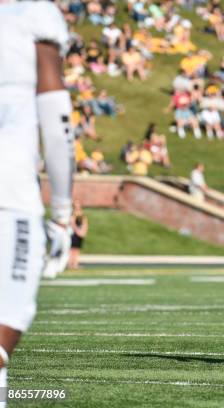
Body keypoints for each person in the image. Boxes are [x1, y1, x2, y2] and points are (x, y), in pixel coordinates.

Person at [0, 2, 74, 405]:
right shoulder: (33, 14)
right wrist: (62, 211)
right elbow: (56, 117)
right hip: (9, 193)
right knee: (7, 324)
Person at [68, 200, 88, 270]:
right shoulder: (72, 214)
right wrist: (78, 232)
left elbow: (85, 222)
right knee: (72, 249)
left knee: (77, 250)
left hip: (80, 233)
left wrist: (84, 231)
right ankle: (71, 264)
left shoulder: (82, 214)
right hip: (74, 234)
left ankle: (75, 263)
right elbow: (72, 224)